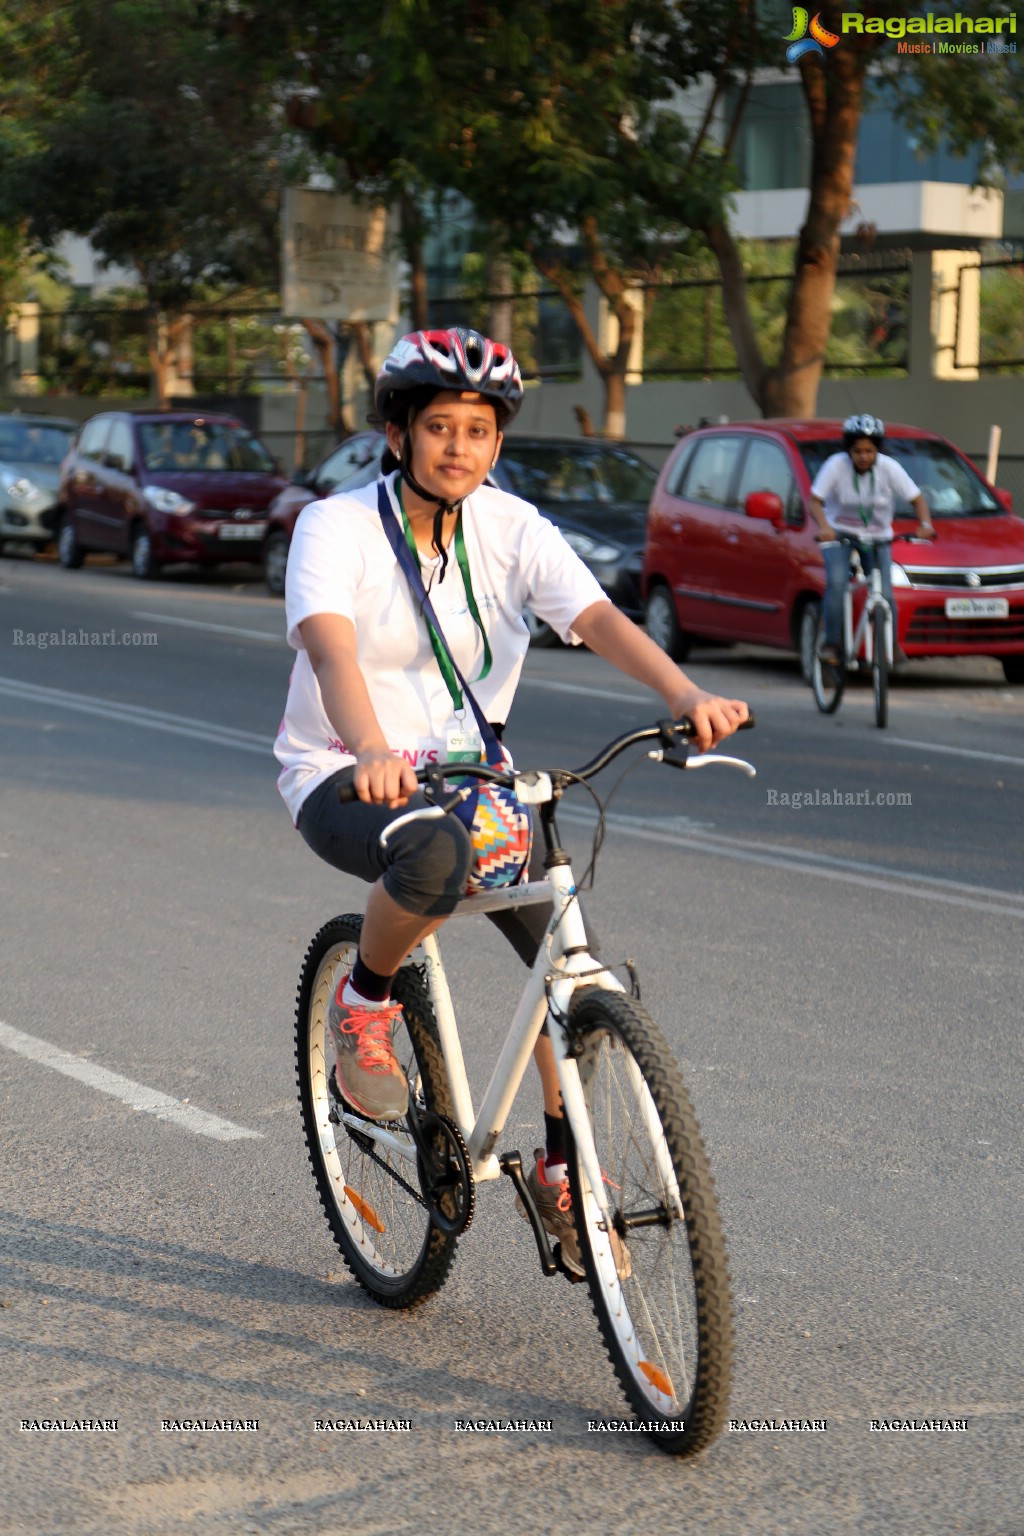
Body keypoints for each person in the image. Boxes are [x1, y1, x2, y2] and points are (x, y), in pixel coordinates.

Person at [274, 326, 749, 1275]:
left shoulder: (513, 529)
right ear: (397, 432)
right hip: (343, 769)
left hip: (477, 780)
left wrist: (682, 694)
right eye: (440, 426)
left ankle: (565, 1173)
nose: (459, 447)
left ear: (498, 443)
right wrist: (369, 747)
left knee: (565, 963)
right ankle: (365, 1004)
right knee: (434, 860)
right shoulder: (335, 527)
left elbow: (597, 617)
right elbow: (329, 647)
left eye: (479, 431)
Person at [810, 414, 935, 664]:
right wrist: (825, 527)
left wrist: (925, 525)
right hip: (839, 533)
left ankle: (891, 645)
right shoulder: (836, 466)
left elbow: (917, 499)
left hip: (878, 537)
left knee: (886, 593)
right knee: (836, 583)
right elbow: (815, 501)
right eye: (857, 451)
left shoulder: (889, 468)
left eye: (869, 450)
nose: (863, 456)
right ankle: (832, 644)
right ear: (849, 450)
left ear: (877, 449)